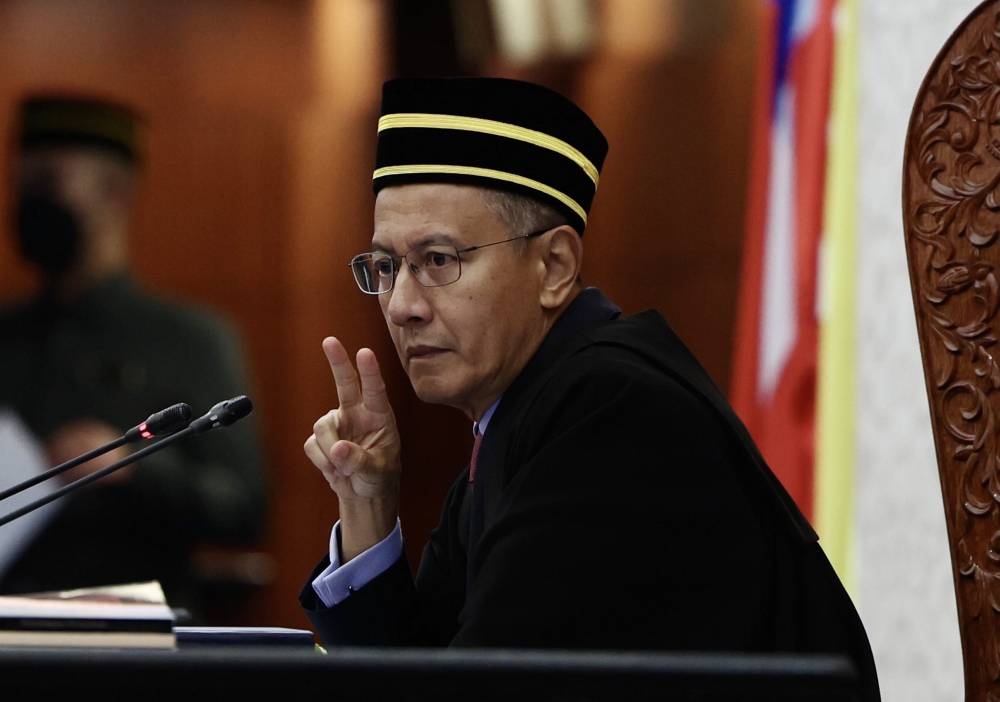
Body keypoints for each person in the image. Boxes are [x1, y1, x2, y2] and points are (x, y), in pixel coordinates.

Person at [299, 77, 879, 699]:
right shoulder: (519, 414)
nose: (402, 305)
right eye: (385, 267)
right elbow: (417, 670)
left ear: (554, 267)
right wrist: (366, 502)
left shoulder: (606, 414)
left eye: (439, 260)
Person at [0, 93, 268, 621]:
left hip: (133, 640)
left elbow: (243, 506)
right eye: (20, 184)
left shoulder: (188, 339)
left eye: (48, 182)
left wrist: (133, 469)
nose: (28, 202)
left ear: (114, 192)